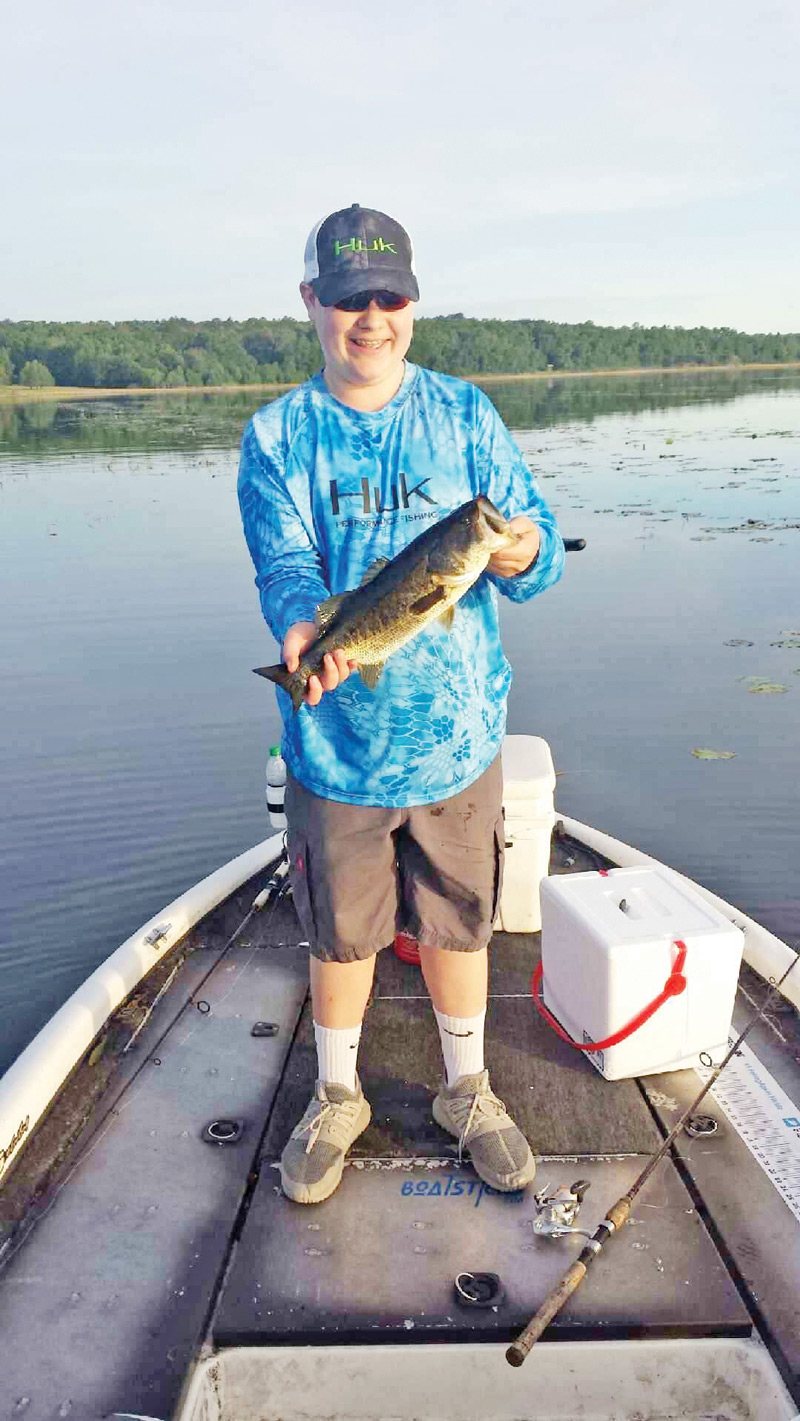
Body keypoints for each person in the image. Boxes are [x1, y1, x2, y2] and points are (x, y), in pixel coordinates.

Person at [238, 203, 565, 1205]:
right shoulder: (276, 437)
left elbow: (534, 552)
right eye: (348, 300)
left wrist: (520, 548)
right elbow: (289, 567)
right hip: (335, 747)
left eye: (387, 297)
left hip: (460, 741)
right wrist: (303, 630)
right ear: (312, 305)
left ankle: (466, 1086)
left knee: (461, 924)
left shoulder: (466, 415)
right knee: (341, 932)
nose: (369, 318)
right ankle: (337, 1092)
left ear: (412, 304)